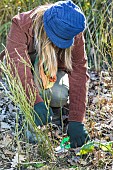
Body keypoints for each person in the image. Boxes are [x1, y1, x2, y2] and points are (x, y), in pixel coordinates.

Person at [0, 0, 90, 147]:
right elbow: (16, 64)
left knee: (58, 94)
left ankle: (52, 113)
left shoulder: (73, 30)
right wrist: (35, 101)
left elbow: (79, 70)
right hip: (23, 68)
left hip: (52, 68)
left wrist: (77, 120)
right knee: (34, 93)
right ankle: (32, 117)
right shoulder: (22, 24)